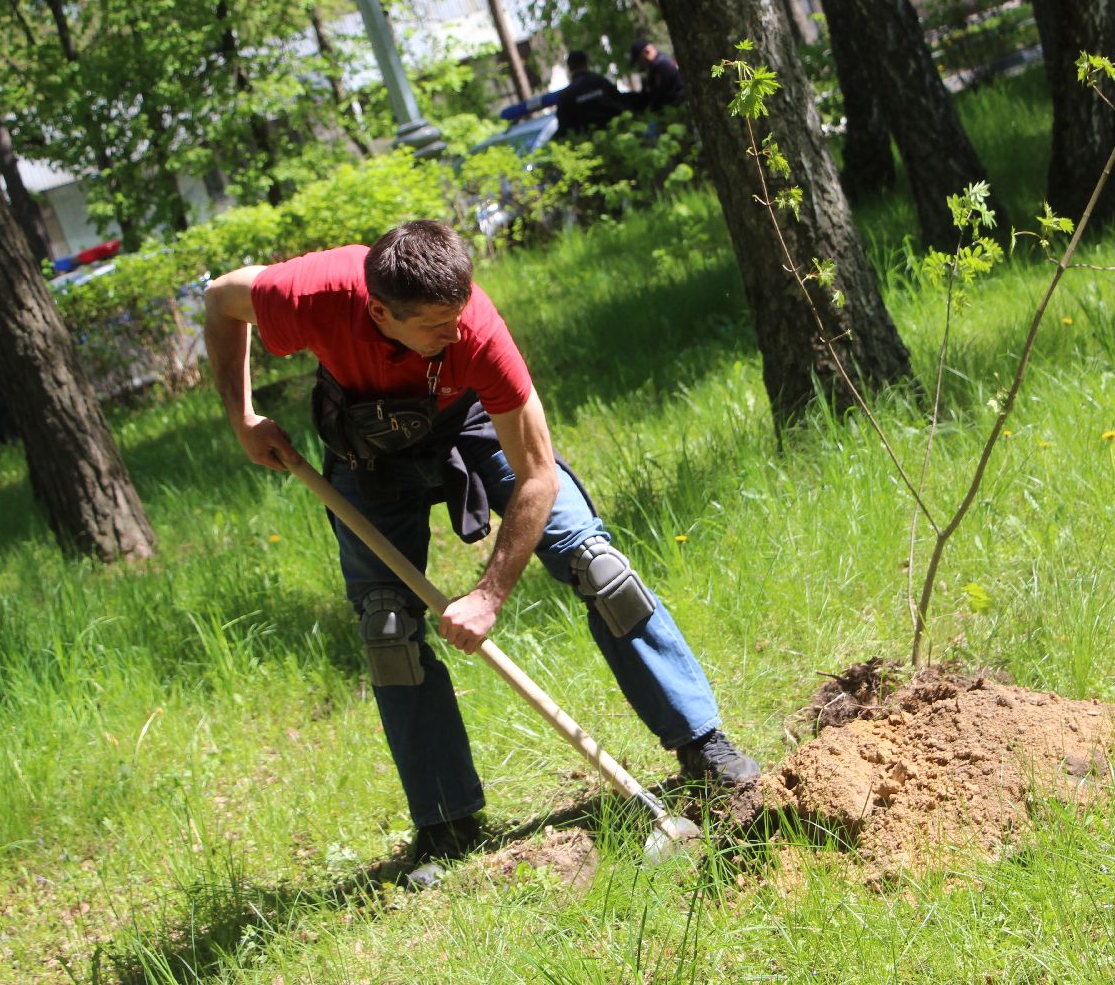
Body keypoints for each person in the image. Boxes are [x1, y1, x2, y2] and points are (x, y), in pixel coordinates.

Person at [203, 221, 758, 883]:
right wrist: (242, 419)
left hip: (470, 425)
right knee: (387, 627)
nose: (455, 331)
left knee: (600, 569)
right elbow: (219, 299)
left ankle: (701, 742)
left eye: (460, 314)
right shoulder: (312, 293)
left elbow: (539, 476)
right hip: (367, 444)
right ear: (379, 311)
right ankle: (447, 822)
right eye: (437, 325)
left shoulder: (477, 332)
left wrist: (489, 594)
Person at [554, 50, 630, 138]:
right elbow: (621, 104)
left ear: (569, 67)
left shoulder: (566, 95)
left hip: (588, 145)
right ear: (586, 63)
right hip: (616, 136)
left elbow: (564, 129)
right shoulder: (601, 82)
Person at [626, 38, 686, 112]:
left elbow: (661, 96)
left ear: (646, 52)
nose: (639, 64)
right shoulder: (659, 65)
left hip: (675, 110)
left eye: (639, 60)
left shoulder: (662, 66)